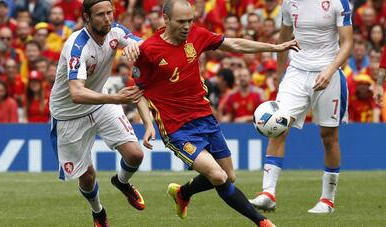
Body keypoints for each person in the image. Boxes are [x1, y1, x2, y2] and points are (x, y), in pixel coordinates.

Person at [132, 1, 299, 226]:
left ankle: (183, 193)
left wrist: (275, 47)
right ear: (166, 19)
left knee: (228, 175)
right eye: (181, 21)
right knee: (218, 176)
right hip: (177, 130)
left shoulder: (197, 35)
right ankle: (262, 222)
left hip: (205, 119)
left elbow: (235, 44)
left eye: (190, 20)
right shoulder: (149, 50)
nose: (187, 26)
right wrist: (148, 123)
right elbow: (137, 91)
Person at [49, 1, 148, 226]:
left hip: (101, 102)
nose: (107, 18)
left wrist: (136, 46)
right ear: (87, 17)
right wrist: (117, 98)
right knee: (87, 176)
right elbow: (76, 93)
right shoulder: (77, 46)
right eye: (101, 14)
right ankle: (98, 211)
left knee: (135, 155)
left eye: (110, 13)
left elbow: (143, 45)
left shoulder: (116, 31)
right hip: (69, 114)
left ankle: (121, 182)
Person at [249, 0, 353, 214]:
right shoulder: (288, 3)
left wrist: (331, 69)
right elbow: (283, 38)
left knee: (328, 136)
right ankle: (268, 193)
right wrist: (280, 73)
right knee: (277, 126)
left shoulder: (337, 3)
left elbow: (347, 43)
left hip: (328, 72)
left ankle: (327, 200)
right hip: (296, 71)